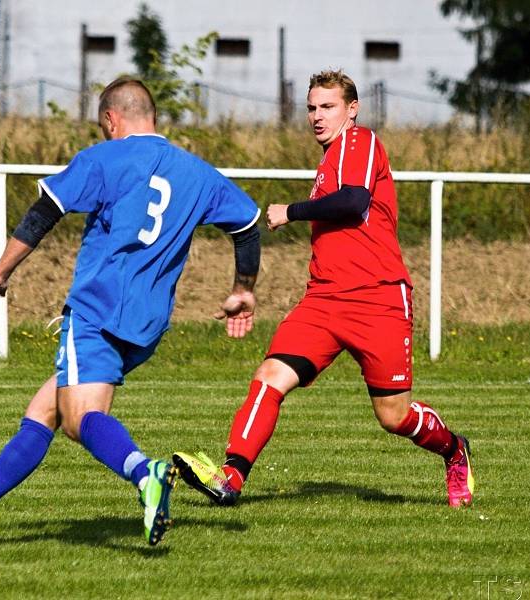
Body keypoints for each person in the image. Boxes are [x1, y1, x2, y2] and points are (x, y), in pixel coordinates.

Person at [0, 77, 261, 546]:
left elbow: (45, 210)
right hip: (146, 326)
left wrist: (0, 271)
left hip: (96, 310)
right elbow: (248, 224)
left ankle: (145, 473)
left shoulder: (104, 157)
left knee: (77, 418)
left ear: (111, 119)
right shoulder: (198, 173)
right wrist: (243, 289)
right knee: (44, 410)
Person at [173, 69, 475, 509]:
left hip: (378, 298)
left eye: (327, 106)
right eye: (312, 107)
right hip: (324, 300)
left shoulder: (360, 142)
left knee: (394, 416)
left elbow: (354, 202)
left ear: (352, 109)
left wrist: (291, 211)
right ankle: (231, 477)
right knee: (270, 377)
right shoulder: (329, 159)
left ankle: (454, 449)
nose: (317, 115)